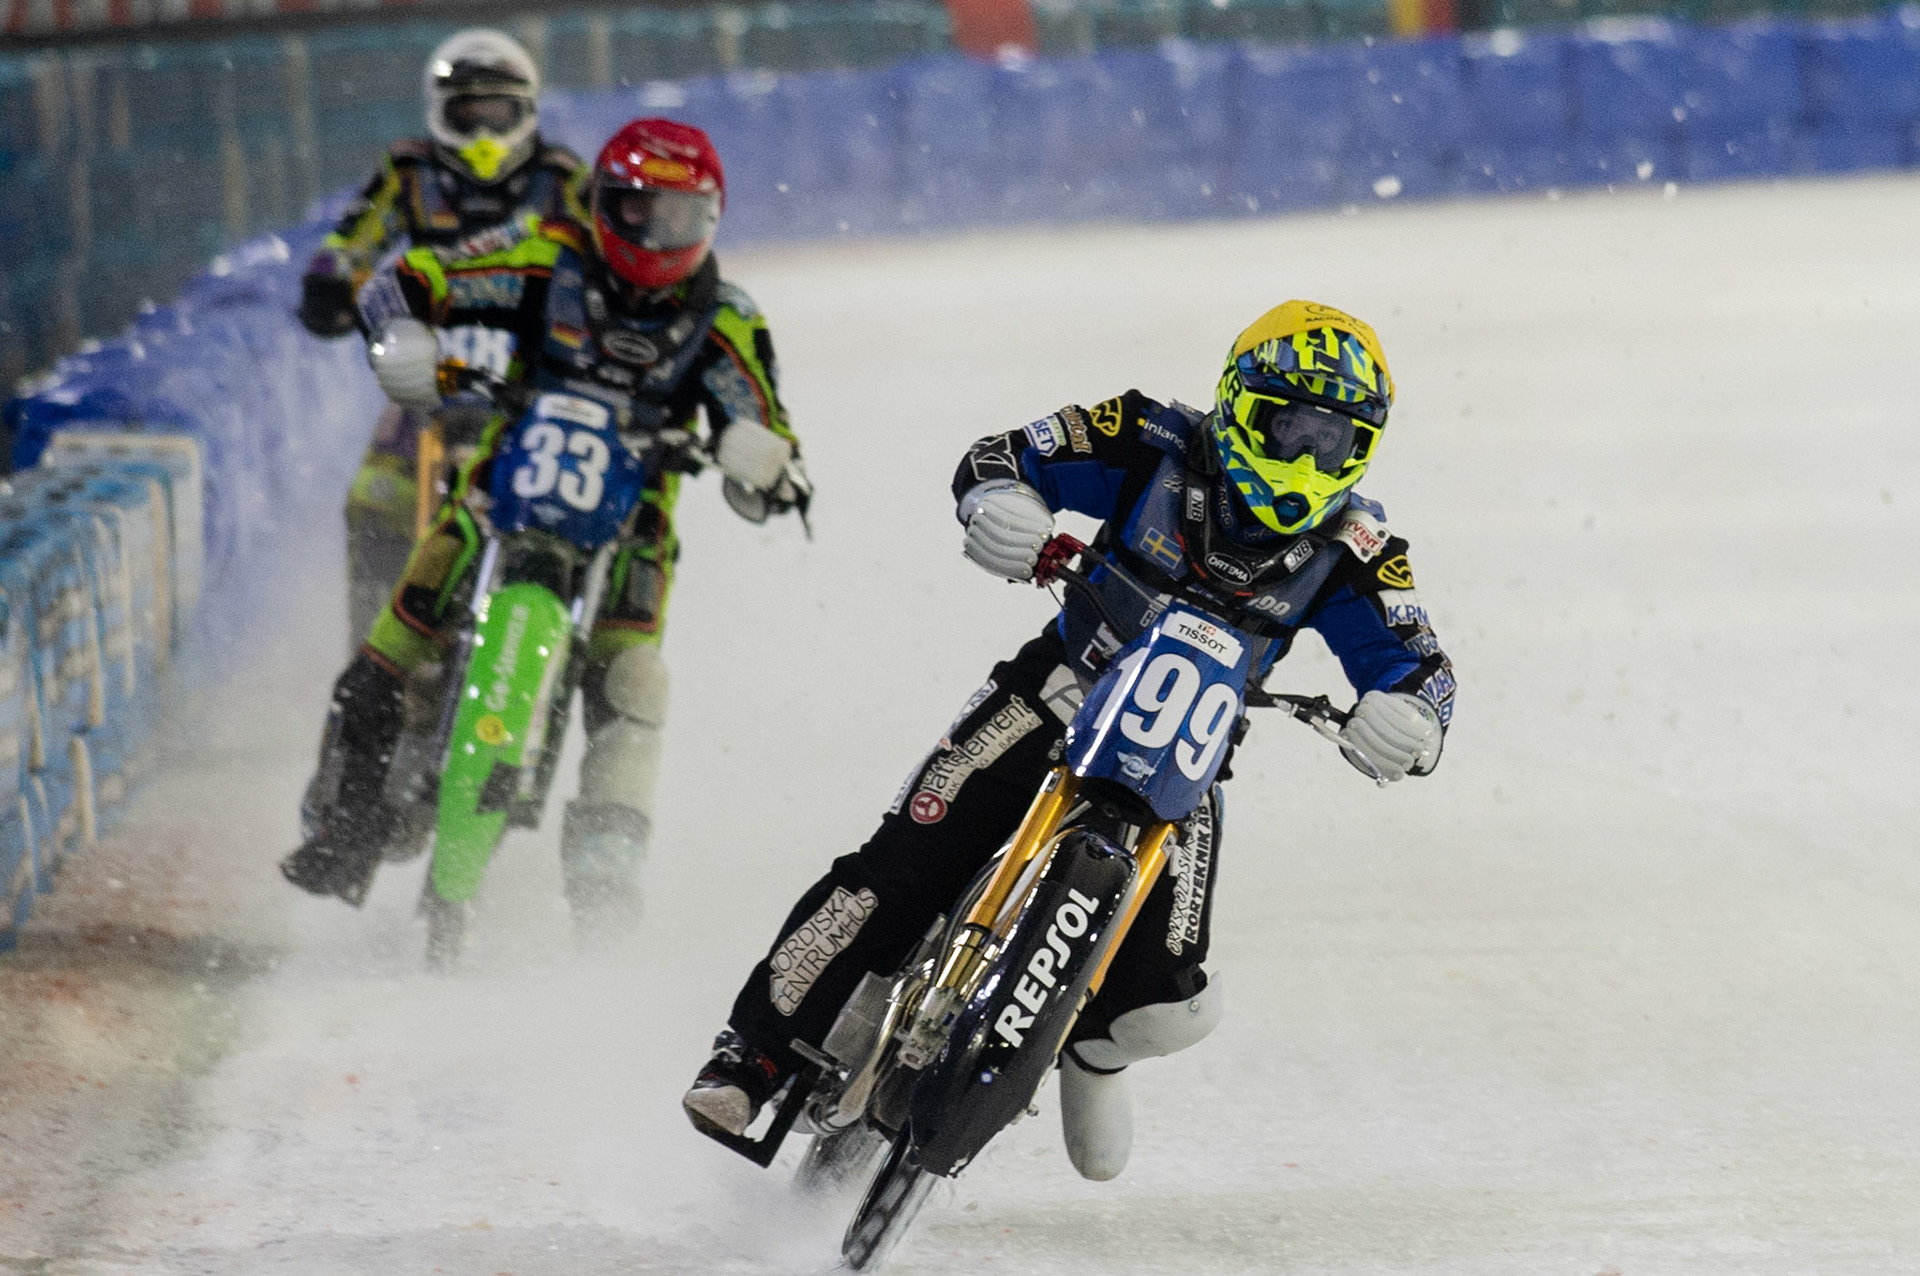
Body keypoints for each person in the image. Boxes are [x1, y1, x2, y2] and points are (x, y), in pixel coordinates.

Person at [683, 300, 1454, 1181]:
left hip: (1188, 768)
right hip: (1058, 689)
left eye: (1336, 441)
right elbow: (1004, 456)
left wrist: (1415, 718)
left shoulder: (1361, 547)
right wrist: (1002, 504)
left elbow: (1421, 662)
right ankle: (754, 1054)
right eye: (1293, 428)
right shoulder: (1148, 437)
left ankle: (1091, 1053)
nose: (1309, 459)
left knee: (1170, 995)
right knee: (898, 867)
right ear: (1242, 403)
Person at [281, 118, 809, 937]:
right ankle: (342, 826)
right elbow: (408, 277)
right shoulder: (544, 254)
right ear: (604, 205)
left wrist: (766, 466)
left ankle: (607, 882)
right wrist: (404, 334)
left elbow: (774, 439)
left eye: (679, 217)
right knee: (392, 648)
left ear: (709, 220)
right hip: (495, 493)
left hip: (633, 531)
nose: (657, 235)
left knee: (633, 684)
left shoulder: (729, 322)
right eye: (640, 212)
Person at [296, 29, 588, 644]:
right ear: (438, 113)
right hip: (427, 374)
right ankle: (372, 649)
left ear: (527, 111)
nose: (483, 133)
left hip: (532, 378)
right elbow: (354, 238)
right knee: (375, 500)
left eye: (497, 112)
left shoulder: (564, 181)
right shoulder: (408, 172)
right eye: (467, 113)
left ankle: (551, 641)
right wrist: (332, 278)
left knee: (561, 512)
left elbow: (607, 256)